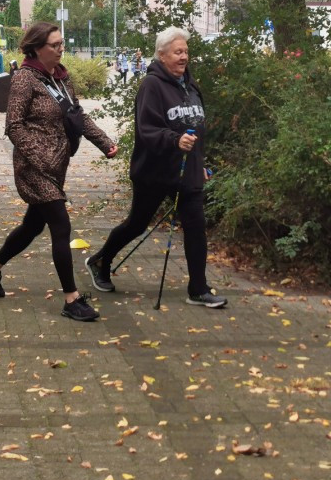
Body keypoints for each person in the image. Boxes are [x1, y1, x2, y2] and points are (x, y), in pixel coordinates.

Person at [0, 22, 118, 322]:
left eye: (61, 43)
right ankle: (72, 299)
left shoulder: (62, 79)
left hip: (58, 165)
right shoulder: (25, 79)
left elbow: (78, 116)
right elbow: (13, 125)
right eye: (54, 45)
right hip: (32, 166)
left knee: (32, 226)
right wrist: (41, 157)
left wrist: (106, 143)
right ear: (37, 48)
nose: (60, 49)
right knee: (60, 226)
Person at [85, 26, 227, 308]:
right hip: (154, 172)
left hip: (186, 172)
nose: (184, 56)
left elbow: (197, 129)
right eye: (178, 51)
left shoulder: (190, 85)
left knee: (196, 226)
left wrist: (199, 162)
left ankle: (198, 288)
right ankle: (100, 260)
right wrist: (175, 140)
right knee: (136, 224)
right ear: (162, 55)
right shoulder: (152, 85)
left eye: (186, 51)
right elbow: (147, 129)